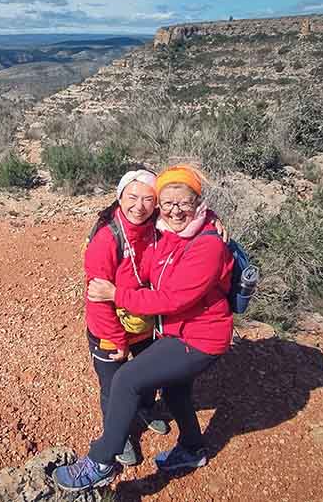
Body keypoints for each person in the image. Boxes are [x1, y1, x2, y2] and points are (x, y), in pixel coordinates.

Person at [54, 164, 234, 492]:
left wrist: (115, 293)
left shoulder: (205, 243)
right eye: (168, 203)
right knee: (175, 390)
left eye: (185, 204)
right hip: (173, 330)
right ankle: (192, 449)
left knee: (127, 379)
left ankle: (102, 462)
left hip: (197, 337)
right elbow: (101, 294)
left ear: (199, 204)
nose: (176, 211)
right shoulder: (163, 228)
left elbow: (172, 299)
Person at [83, 169, 171, 468]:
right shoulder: (107, 238)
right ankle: (116, 436)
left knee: (148, 377)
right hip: (110, 329)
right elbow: (96, 299)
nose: (139, 206)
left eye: (149, 199)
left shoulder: (158, 228)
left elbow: (189, 213)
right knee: (114, 386)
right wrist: (118, 339)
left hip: (145, 323)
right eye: (132, 197)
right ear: (119, 197)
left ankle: (146, 409)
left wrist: (212, 218)